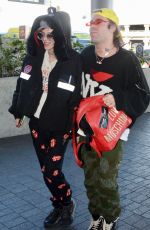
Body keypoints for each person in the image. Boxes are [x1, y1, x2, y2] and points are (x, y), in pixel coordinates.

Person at [77, 8, 150, 230]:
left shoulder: (127, 60)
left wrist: (116, 98)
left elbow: (143, 94)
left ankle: (110, 218)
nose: (92, 26)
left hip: (112, 133)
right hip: (86, 132)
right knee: (90, 180)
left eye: (98, 22)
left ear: (112, 27)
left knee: (106, 180)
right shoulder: (86, 55)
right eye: (90, 23)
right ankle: (96, 216)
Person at [9, 11, 82, 229]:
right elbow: (21, 85)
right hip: (37, 124)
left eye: (51, 34)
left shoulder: (73, 60)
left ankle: (67, 202)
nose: (46, 39)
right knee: (45, 171)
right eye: (42, 34)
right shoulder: (31, 58)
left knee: (52, 170)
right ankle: (58, 206)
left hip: (61, 125)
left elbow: (77, 94)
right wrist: (18, 111)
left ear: (61, 34)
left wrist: (74, 126)